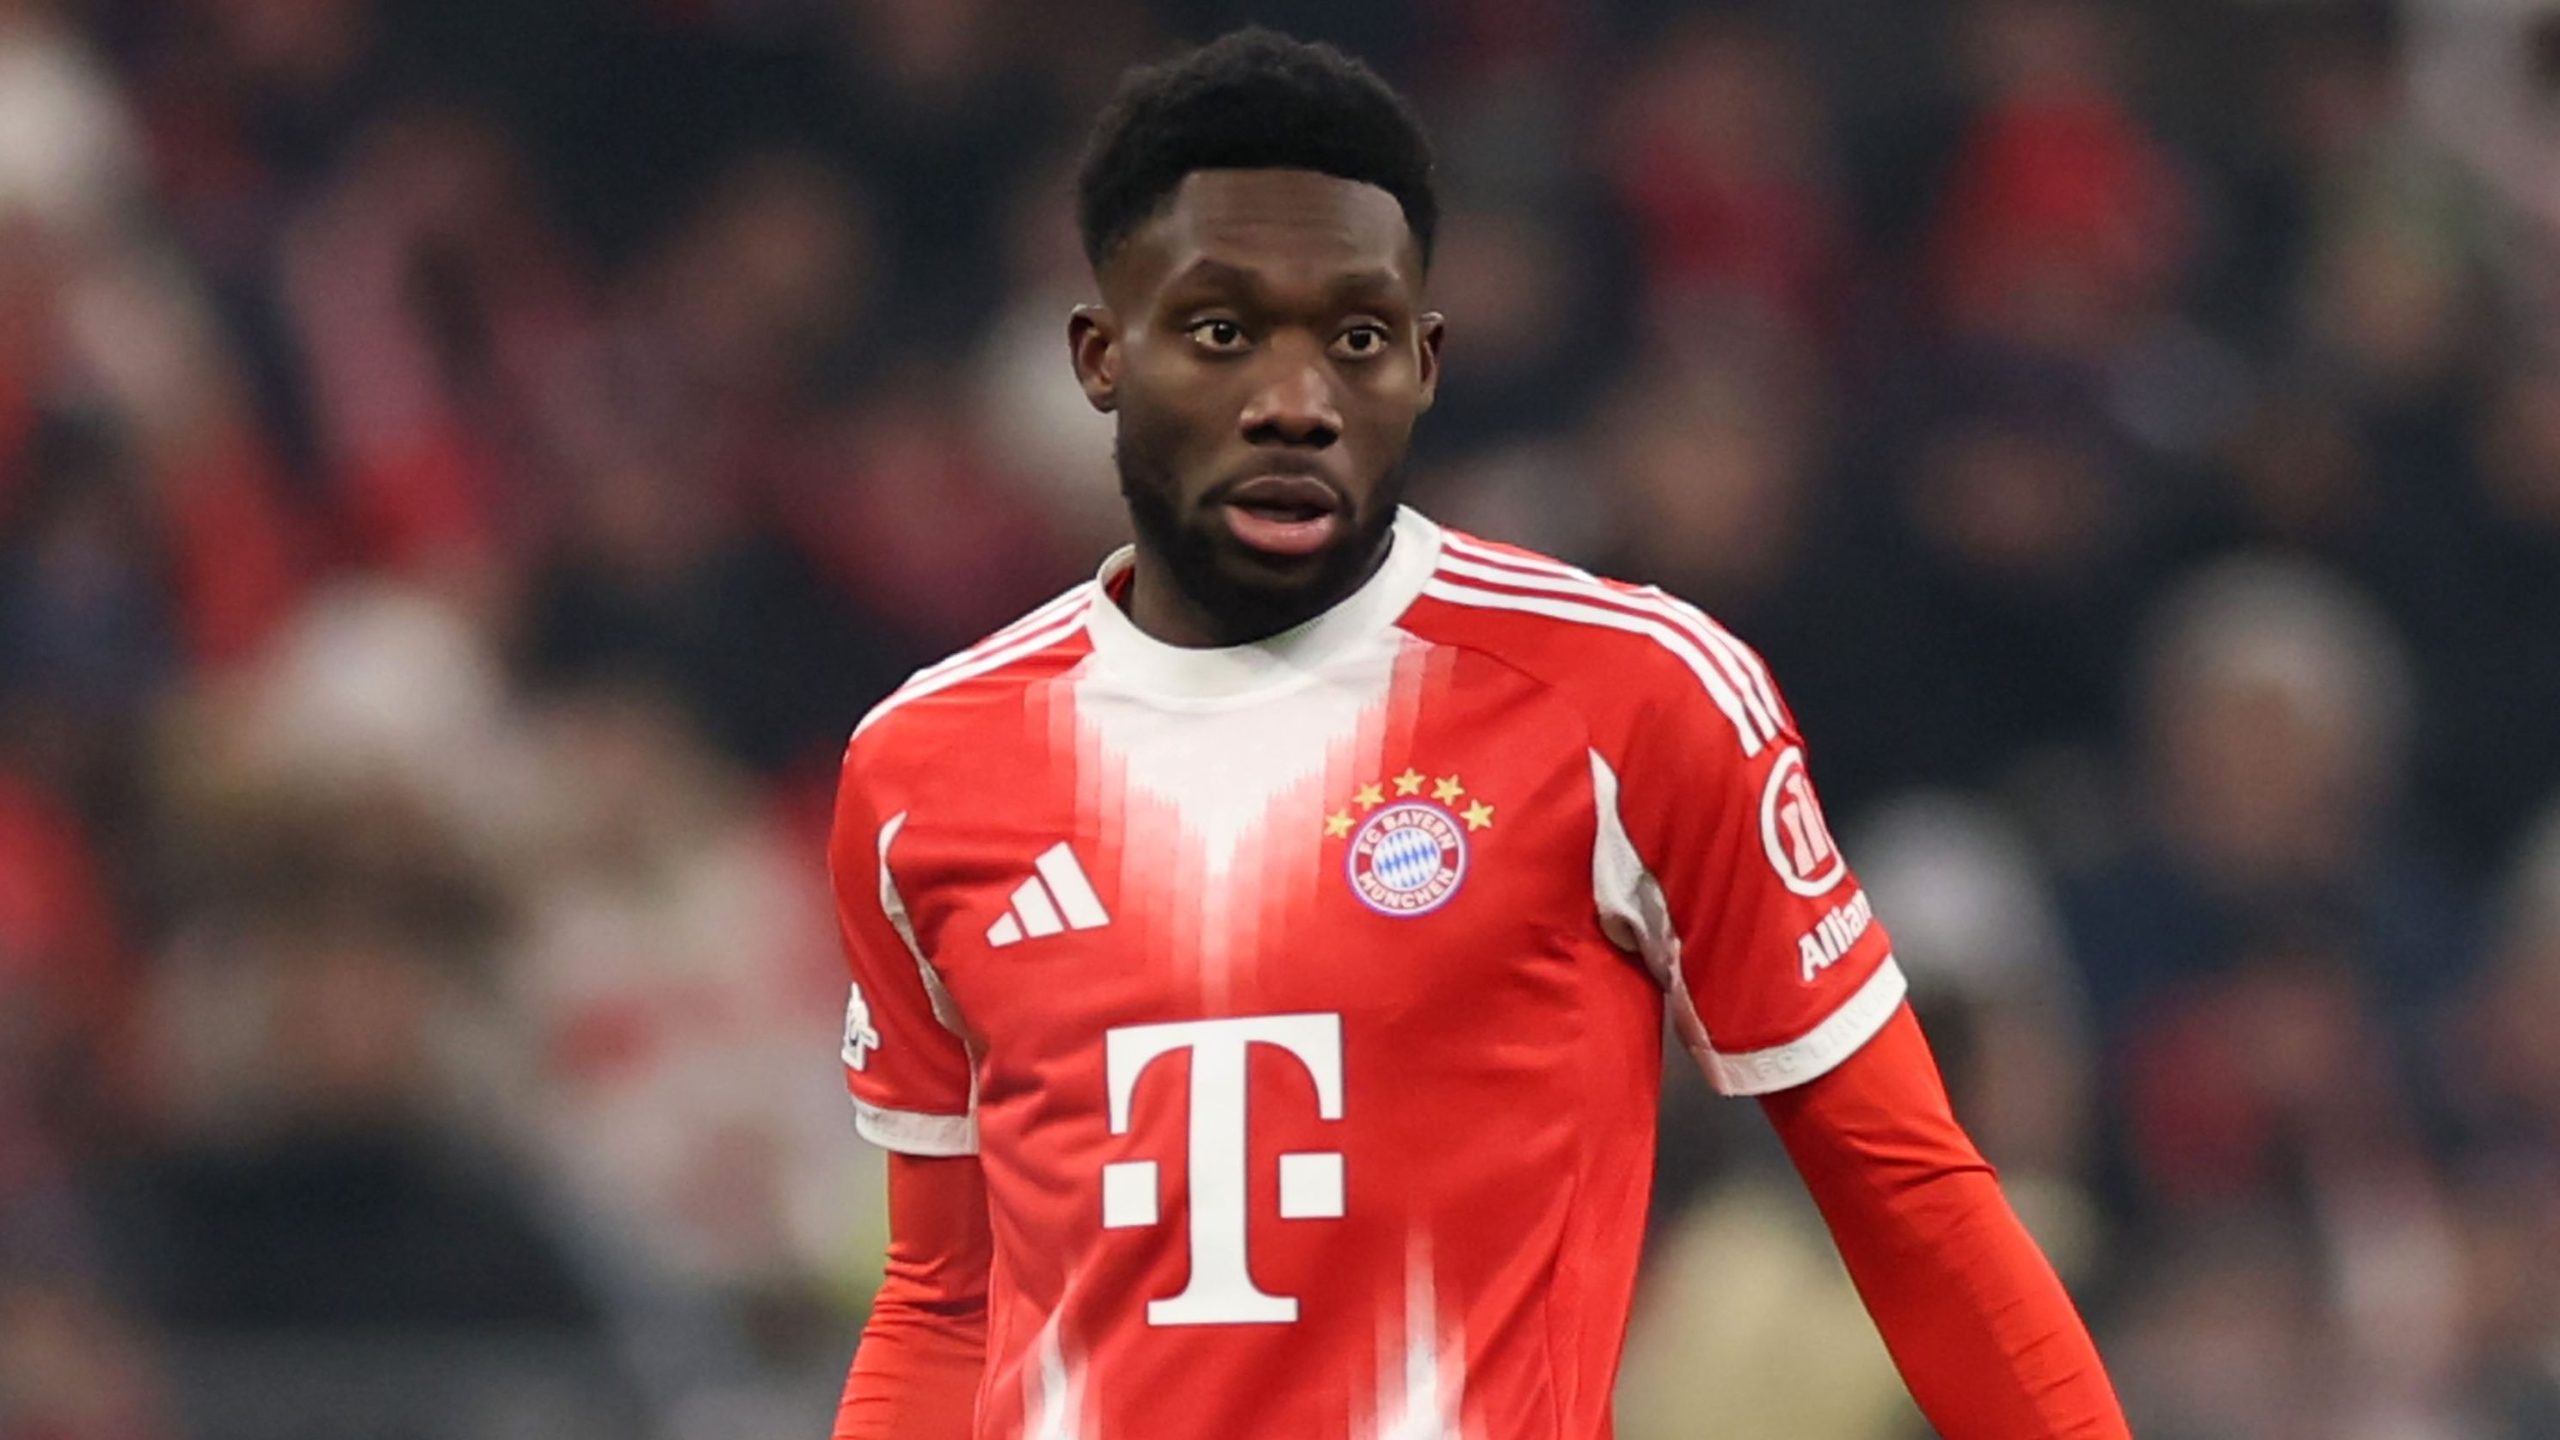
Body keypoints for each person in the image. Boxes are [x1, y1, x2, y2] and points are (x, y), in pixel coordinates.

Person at [827, 28, 2127, 1440]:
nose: (1295, 402)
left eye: (1357, 337)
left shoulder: (1633, 693)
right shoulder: (925, 765)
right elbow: (944, 1302)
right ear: (1100, 355)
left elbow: (1912, 1199)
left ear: (1426, 362)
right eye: (1220, 332)